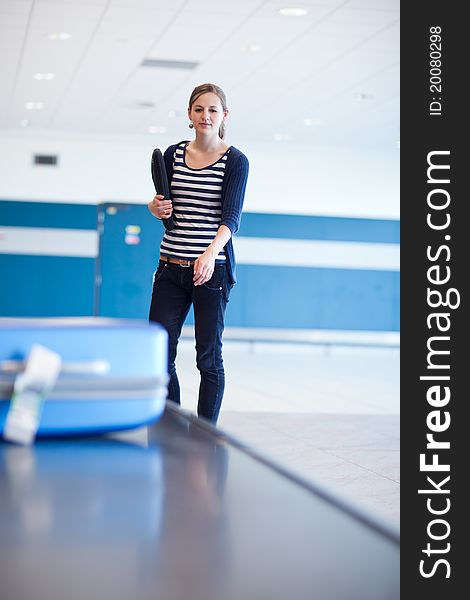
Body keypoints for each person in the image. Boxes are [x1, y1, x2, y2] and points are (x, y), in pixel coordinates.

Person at [148, 83, 249, 424]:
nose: (205, 116)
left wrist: (209, 254)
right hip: (169, 268)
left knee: (208, 357)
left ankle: (207, 433)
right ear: (189, 114)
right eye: (199, 109)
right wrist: (155, 207)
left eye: (212, 110)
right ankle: (172, 424)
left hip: (211, 270)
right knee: (160, 353)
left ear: (224, 116)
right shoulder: (171, 155)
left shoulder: (235, 161)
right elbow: (165, 205)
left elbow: (231, 217)